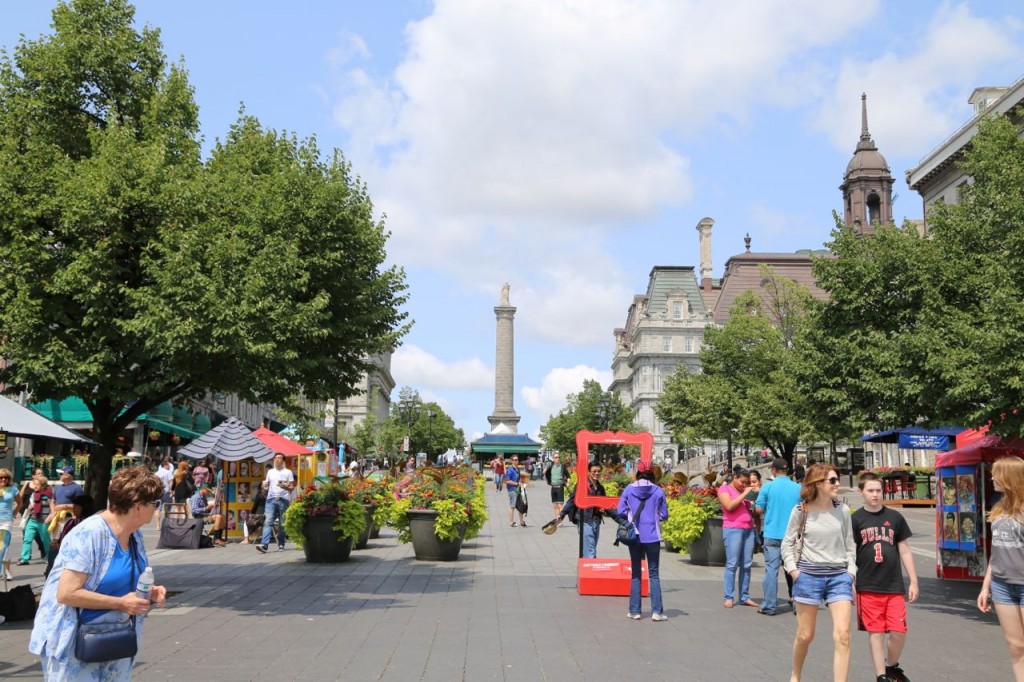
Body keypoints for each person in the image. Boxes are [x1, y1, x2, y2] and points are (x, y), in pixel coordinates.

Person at [29, 466, 168, 680]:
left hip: (116, 639)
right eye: (155, 503)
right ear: (138, 506)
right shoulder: (89, 534)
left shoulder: (134, 534)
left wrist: (148, 591)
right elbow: (66, 593)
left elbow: (125, 579)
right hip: (75, 642)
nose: (157, 508)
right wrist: (120, 603)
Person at [781, 464, 857, 682]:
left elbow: (850, 545)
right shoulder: (800, 511)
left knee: (843, 636)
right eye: (832, 480)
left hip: (838, 578)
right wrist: (794, 571)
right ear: (817, 484)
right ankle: (795, 676)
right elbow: (786, 545)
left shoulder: (842, 510)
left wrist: (850, 573)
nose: (837, 484)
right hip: (808, 577)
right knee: (806, 635)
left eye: (837, 479)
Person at [852, 472, 918, 682]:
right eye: (870, 490)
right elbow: (850, 553)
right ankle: (881, 675)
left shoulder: (895, 517)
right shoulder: (856, 519)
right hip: (868, 584)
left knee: (899, 631)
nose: (875, 494)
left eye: (878, 490)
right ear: (861, 492)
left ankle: (891, 666)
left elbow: (905, 550)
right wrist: (851, 581)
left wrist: (914, 580)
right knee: (876, 632)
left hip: (893, 584)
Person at [977, 455, 1024, 681]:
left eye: (996, 473)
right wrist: (986, 586)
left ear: (1010, 477)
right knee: (1015, 646)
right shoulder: (998, 507)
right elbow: (996, 551)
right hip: (1002, 585)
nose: (992, 477)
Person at [617, 460, 669, 621]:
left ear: (637, 473)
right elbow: (664, 515)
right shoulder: (658, 491)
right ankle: (657, 612)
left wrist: (630, 516)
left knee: (636, 573)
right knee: (654, 573)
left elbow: (620, 511)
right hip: (652, 536)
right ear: (651, 473)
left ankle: (635, 611)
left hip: (635, 536)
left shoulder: (629, 489)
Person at [755, 457, 803, 615]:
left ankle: (769, 605)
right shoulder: (797, 487)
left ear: (773, 470)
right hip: (793, 535)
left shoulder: (768, 487)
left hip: (772, 534)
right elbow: (805, 509)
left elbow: (758, 510)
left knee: (771, 570)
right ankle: (797, 603)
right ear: (788, 470)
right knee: (794, 569)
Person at [719, 468, 759, 608]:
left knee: (746, 565)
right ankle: (728, 596)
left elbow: (753, 510)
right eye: (742, 481)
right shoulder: (725, 489)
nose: (744, 485)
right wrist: (745, 493)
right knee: (732, 564)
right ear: (735, 478)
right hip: (733, 529)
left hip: (748, 529)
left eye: (746, 482)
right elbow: (729, 506)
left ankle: (744, 596)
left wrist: (754, 494)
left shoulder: (744, 493)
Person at [557, 460, 610, 557]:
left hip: (596, 521)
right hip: (584, 521)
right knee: (591, 552)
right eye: (594, 471)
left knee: (589, 549)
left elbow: (605, 504)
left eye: (598, 471)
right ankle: (591, 571)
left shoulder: (600, 488)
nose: (597, 473)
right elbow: (572, 500)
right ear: (589, 472)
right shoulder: (582, 486)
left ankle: (584, 570)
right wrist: (562, 514)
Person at [257, 453, 295, 553]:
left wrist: (285, 487)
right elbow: (266, 485)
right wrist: (264, 487)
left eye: (279, 458)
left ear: (283, 461)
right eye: (276, 458)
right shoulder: (270, 472)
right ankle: (264, 544)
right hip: (271, 499)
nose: (277, 460)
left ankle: (281, 543)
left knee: (282, 523)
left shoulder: (288, 472)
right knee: (268, 521)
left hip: (283, 499)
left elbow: (292, 487)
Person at [19, 473, 53, 566]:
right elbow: (30, 506)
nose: (35, 487)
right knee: (27, 539)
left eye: (37, 485)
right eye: (34, 485)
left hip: (44, 521)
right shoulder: (34, 494)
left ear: (43, 485)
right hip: (33, 520)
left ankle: (49, 556)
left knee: (46, 540)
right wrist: (30, 507)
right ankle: (24, 558)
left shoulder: (49, 495)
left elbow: (53, 507)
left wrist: (50, 516)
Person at [0, 468, 17, 581]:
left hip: (6, 521)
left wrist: (14, 513)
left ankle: (6, 570)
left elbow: (20, 503)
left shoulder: (12, 489)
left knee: (3, 546)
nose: (4, 479)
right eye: (1, 477)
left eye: (6, 477)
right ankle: (5, 570)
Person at [544, 453, 570, 524]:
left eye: (558, 457)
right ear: (553, 458)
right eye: (555, 457)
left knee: (560, 505)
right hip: (553, 487)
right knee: (555, 505)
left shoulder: (562, 467)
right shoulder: (551, 467)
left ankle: (560, 520)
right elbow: (545, 473)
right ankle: (557, 519)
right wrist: (545, 470)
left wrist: (568, 482)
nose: (557, 459)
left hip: (559, 487)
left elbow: (568, 476)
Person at [505, 456, 527, 527]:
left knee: (521, 505)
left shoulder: (517, 469)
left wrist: (520, 483)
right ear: (511, 461)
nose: (516, 461)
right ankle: (511, 522)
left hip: (518, 489)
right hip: (512, 490)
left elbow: (518, 478)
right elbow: (508, 481)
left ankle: (521, 521)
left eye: (517, 460)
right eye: (514, 460)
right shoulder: (510, 470)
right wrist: (517, 483)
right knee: (512, 506)